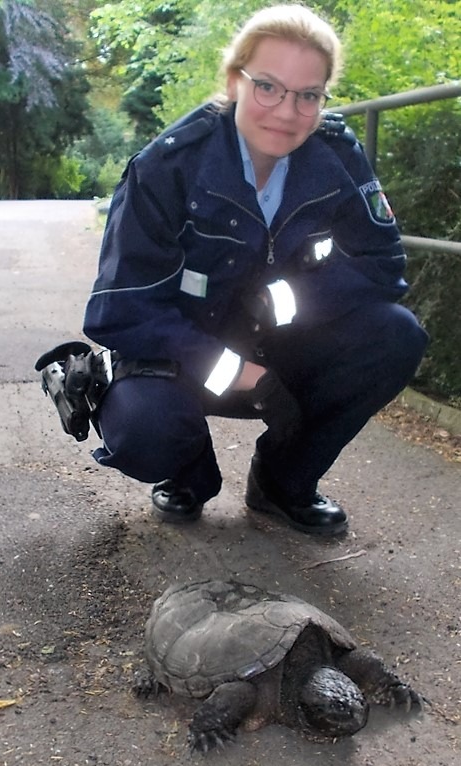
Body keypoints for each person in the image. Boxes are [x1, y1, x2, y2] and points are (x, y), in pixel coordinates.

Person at [82, 3, 428, 536]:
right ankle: (187, 474)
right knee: (147, 431)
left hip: (275, 338)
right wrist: (243, 373)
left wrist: (286, 299)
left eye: (308, 95)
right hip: (181, 354)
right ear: (233, 80)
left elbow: (383, 266)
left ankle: (284, 482)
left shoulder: (335, 156)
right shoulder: (167, 166)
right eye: (267, 86)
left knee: (396, 335)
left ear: (322, 100)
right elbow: (121, 311)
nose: (287, 112)